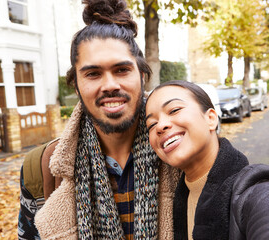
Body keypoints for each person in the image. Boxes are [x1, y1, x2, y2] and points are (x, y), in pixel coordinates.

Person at [17, 0, 180, 239]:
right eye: (93, 74)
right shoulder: (42, 168)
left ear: (142, 75)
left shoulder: (181, 151)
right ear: (76, 86)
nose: (110, 85)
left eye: (122, 70)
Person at [145, 80, 269, 240]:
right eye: (151, 124)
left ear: (211, 119)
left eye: (174, 110)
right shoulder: (176, 196)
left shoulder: (256, 186)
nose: (161, 126)